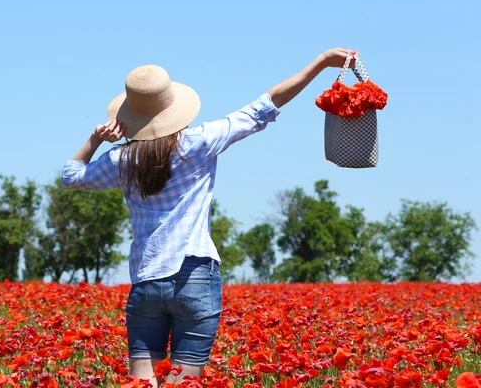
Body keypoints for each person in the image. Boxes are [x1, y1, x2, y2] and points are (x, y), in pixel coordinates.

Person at [61, 48, 358, 386]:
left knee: (142, 384)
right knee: (183, 383)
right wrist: (321, 63)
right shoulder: (199, 142)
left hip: (146, 280)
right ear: (173, 108)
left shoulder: (120, 159)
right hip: (195, 275)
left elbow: (71, 176)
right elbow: (267, 104)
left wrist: (96, 138)